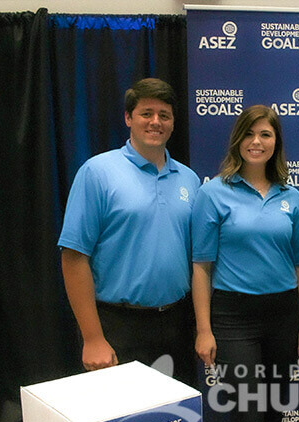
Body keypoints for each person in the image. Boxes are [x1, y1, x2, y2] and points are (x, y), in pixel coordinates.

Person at [190, 104, 299, 422]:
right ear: (237, 140)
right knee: (247, 418)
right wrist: (204, 328)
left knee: (275, 411)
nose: (257, 142)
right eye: (250, 134)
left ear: (276, 143)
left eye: (266, 135)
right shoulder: (213, 192)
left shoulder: (291, 197)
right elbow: (202, 266)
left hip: (282, 315)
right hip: (231, 318)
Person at [58, 77, 200, 385]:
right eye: (146, 113)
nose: (155, 122)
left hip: (177, 323)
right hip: (118, 326)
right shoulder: (98, 173)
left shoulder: (189, 180)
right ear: (128, 118)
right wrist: (93, 337)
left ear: (174, 123)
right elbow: (73, 257)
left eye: (164, 115)